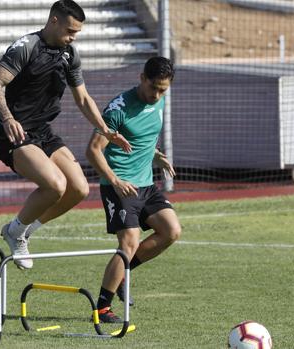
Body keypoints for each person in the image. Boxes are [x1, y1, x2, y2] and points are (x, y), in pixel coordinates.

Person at [0, 0, 131, 269]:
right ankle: (15, 233)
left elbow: (83, 99)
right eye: (70, 31)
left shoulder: (70, 54)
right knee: (55, 185)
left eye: (77, 33)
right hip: (14, 134)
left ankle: (24, 230)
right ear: (54, 21)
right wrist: (7, 118)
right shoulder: (26, 47)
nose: (73, 37)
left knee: (79, 188)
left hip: (43, 132)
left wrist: (106, 131)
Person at [85, 56, 182, 323]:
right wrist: (115, 181)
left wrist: (157, 155)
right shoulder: (118, 109)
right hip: (120, 187)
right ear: (142, 78)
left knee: (171, 231)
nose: (158, 94)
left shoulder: (159, 101)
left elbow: (143, 139)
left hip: (146, 185)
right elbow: (92, 150)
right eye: (154, 88)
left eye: (164, 89)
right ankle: (102, 308)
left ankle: (124, 272)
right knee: (129, 243)